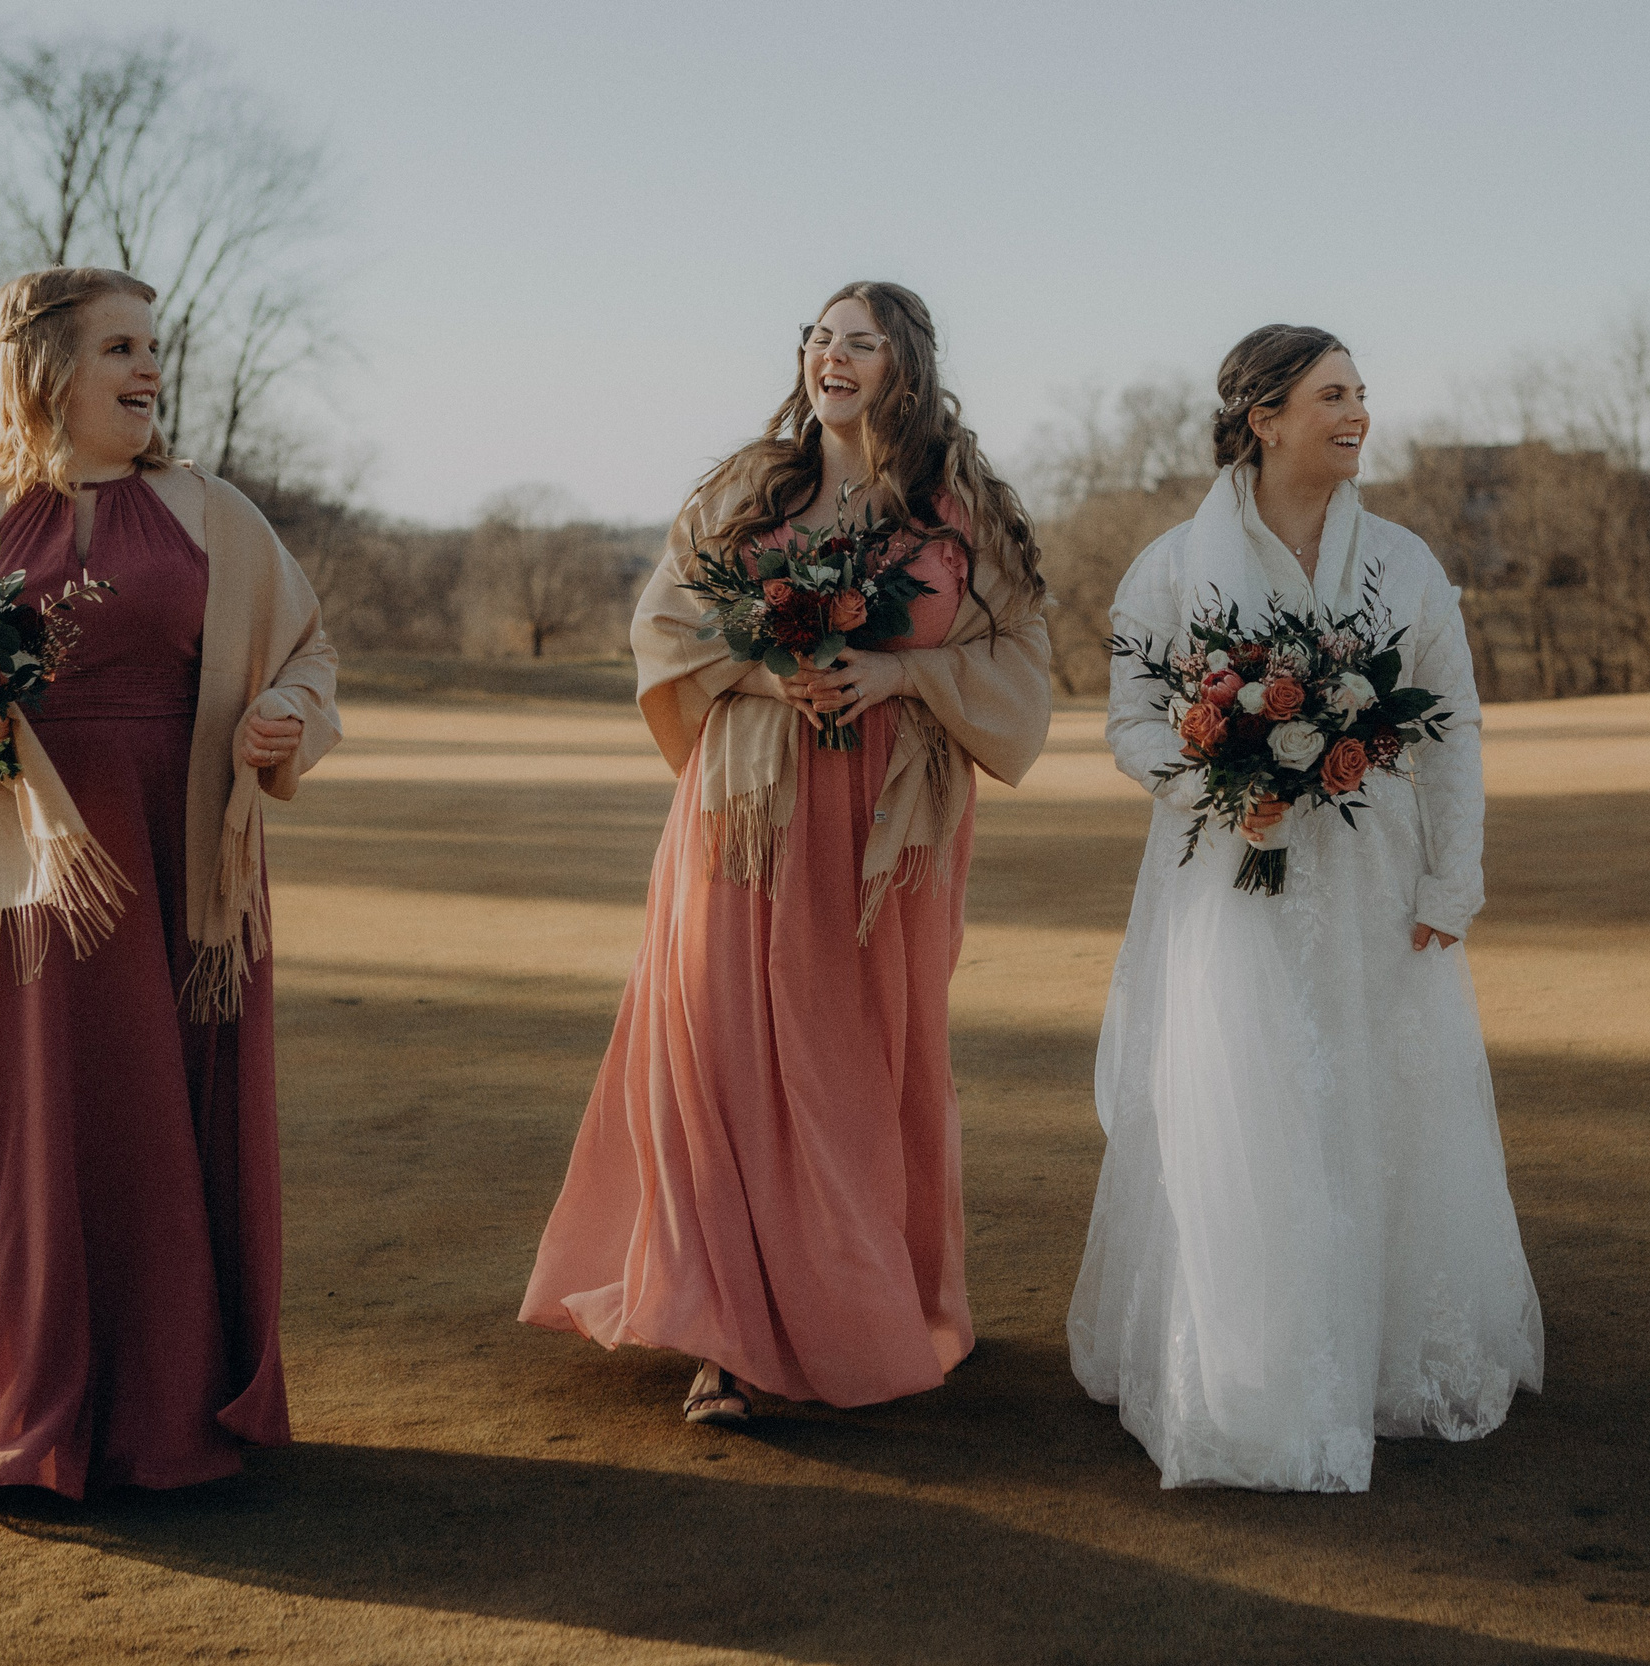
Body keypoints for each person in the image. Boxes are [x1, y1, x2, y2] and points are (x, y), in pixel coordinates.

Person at [0, 267, 339, 1497]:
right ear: (47, 369)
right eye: (120, 348)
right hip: (36, 874)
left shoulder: (215, 515)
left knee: (175, 1108)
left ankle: (171, 1404)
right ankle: (18, 1402)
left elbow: (308, 656)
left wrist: (279, 714)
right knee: (42, 1111)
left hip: (189, 862)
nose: (149, 370)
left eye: (154, 347)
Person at [521, 282, 1051, 1424]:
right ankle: (727, 1334)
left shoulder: (962, 513)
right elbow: (665, 627)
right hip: (744, 812)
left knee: (852, 1066)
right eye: (819, 338)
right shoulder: (746, 490)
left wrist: (901, 672)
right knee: (721, 1054)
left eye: (860, 341)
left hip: (883, 832)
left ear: (904, 366)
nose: (832, 356)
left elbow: (1021, 661)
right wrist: (767, 673)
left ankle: (862, 1307)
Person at [1067, 324, 1542, 1491]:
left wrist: (1452, 878)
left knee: (1376, 1094)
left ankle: (1376, 1355)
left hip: (1375, 876)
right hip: (1226, 881)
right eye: (1332, 395)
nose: (1359, 414)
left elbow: (1454, 728)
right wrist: (1217, 786)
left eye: (1362, 394)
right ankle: (1250, 1368)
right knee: (1245, 1097)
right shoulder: (1168, 566)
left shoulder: (1411, 565)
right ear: (1261, 416)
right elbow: (1130, 721)